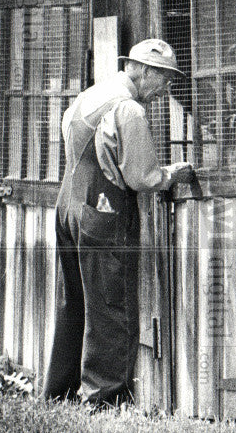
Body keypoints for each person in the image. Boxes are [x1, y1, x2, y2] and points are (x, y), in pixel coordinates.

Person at [42, 39, 193, 407]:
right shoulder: (129, 110)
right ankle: (104, 400)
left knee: (73, 302)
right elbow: (143, 176)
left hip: (69, 208)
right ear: (144, 71)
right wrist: (174, 173)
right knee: (113, 306)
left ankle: (59, 393)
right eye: (165, 79)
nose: (166, 89)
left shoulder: (88, 97)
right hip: (105, 214)